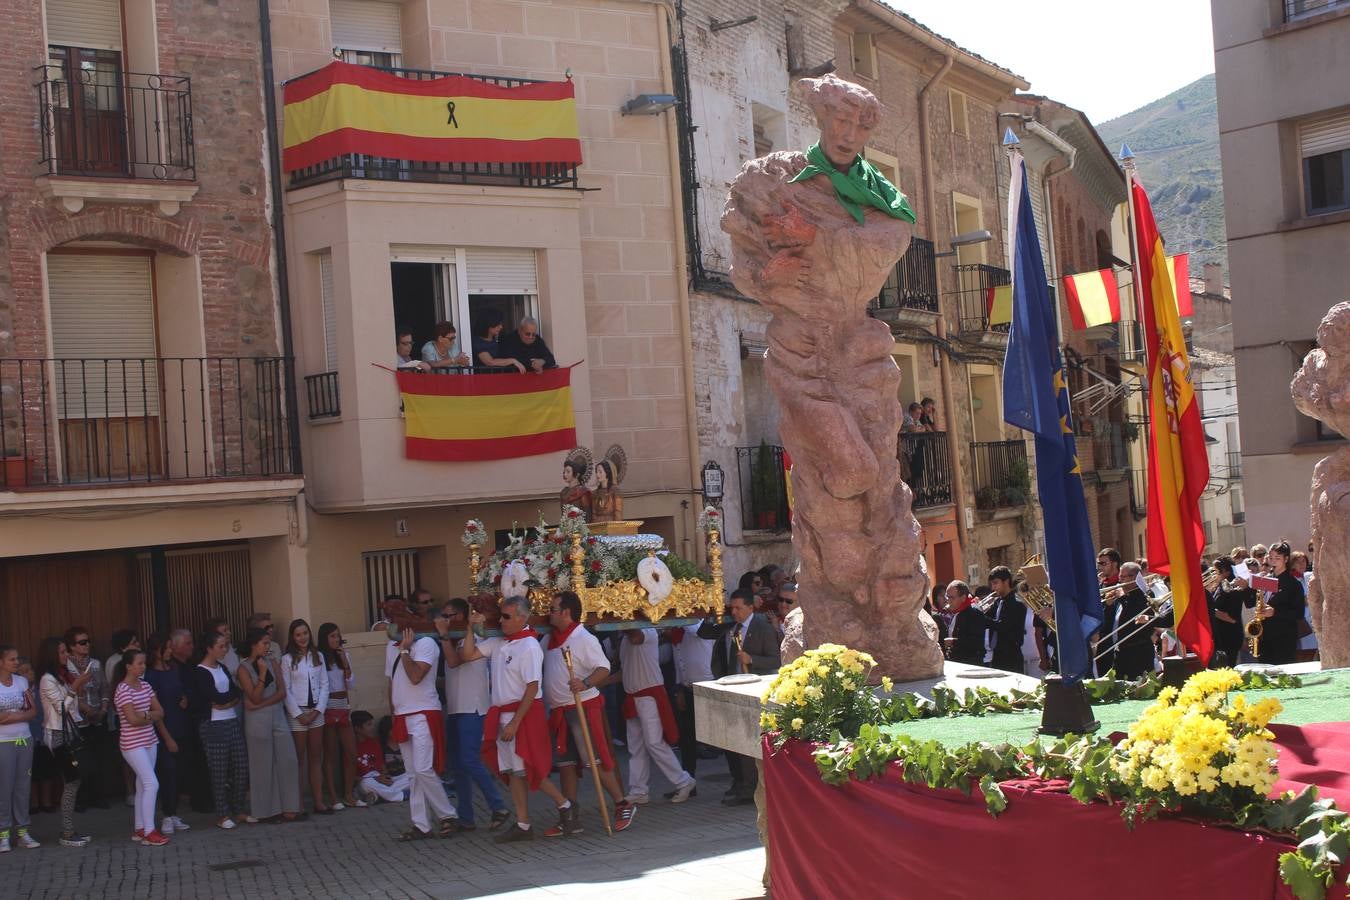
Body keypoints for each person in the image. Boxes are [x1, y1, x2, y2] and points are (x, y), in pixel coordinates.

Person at [470, 596, 573, 843]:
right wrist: (469, 627)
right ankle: (523, 823)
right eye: (501, 616)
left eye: (506, 617)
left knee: (530, 767)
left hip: (523, 715)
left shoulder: (529, 646)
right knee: (515, 772)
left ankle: (566, 806)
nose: (501, 621)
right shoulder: (500, 643)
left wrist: (516, 722)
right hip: (503, 715)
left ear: (522, 618)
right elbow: (466, 655)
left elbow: (532, 687)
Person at [536, 591, 632, 836]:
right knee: (567, 764)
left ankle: (622, 803)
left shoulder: (583, 638)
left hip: (582, 708)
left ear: (566, 612)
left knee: (594, 761)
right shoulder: (550, 640)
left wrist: (586, 683)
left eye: (553, 609)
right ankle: (570, 816)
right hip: (560, 710)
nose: (550, 614)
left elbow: (603, 667)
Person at [698, 589, 780, 805]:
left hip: (754, 692)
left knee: (750, 745)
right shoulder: (730, 627)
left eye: (738, 608)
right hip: (732, 689)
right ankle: (740, 783)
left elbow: (775, 660)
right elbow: (705, 632)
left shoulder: (762, 628)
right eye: (731, 608)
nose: (734, 612)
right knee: (732, 744)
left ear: (751, 608)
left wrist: (751, 658)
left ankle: (749, 788)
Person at [434, 599, 510, 832]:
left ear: (462, 615)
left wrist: (445, 636)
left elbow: (455, 661)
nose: (446, 620)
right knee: (458, 765)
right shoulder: (452, 638)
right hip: (457, 707)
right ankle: (466, 817)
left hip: (474, 707)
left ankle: (498, 805)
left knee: (469, 759)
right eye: (443, 615)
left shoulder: (477, 636)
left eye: (451, 615)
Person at [386, 621, 456, 842]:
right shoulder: (391, 646)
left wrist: (405, 651)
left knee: (423, 768)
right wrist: (393, 713)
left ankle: (447, 814)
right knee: (412, 774)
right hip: (402, 714)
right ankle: (421, 824)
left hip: (423, 712)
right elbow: (391, 682)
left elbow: (416, 676)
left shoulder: (426, 643)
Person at [618, 629, 695, 806]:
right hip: (633, 696)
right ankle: (639, 790)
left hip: (648, 696)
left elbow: (637, 637)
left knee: (654, 742)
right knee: (635, 747)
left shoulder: (647, 630)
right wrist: (593, 683)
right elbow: (625, 671)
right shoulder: (624, 639)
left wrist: (621, 623)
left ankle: (684, 781)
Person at [236, 627, 302, 823]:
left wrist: (261, 705)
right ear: (254, 645)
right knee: (262, 765)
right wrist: (263, 674)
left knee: (288, 760)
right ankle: (265, 811)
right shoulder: (243, 668)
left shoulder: (273, 662)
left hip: (275, 714)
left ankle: (290, 807)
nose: (267, 647)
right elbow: (253, 695)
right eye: (264, 643)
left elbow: (281, 692)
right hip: (257, 722)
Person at [188, 630, 248, 828]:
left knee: (240, 766)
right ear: (209, 648)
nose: (225, 650)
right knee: (219, 770)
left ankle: (238, 808)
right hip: (213, 724)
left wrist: (226, 702)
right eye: (221, 646)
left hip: (230, 720)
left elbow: (235, 691)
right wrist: (225, 701)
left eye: (226, 646)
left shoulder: (221, 667)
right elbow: (215, 697)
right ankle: (222, 814)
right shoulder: (200, 672)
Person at [36, 636, 90, 847]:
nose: (66, 655)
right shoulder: (46, 679)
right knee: (71, 781)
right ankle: (66, 832)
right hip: (57, 734)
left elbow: (74, 705)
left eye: (66, 651)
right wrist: (75, 685)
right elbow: (61, 707)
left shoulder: (62, 675)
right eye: (61, 652)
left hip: (68, 731)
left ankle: (69, 829)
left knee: (73, 781)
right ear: (52, 655)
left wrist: (76, 681)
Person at [112, 649, 169, 845]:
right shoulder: (122, 689)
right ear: (128, 666)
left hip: (149, 740)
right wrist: (148, 715)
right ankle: (150, 830)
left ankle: (140, 828)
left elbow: (160, 711)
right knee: (151, 783)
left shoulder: (145, 685)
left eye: (144, 663)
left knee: (142, 784)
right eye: (139, 663)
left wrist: (144, 715)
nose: (143, 667)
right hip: (132, 744)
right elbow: (132, 720)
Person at [281, 619, 330, 815]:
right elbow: (286, 689)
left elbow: (325, 684)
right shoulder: (287, 660)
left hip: (316, 711)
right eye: (298, 634)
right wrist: (299, 714)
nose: (303, 637)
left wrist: (318, 710)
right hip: (298, 713)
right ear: (293, 637)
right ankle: (298, 803)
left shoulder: (318, 656)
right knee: (298, 759)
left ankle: (318, 802)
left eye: (305, 633)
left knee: (316, 757)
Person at [143, 633, 189, 836]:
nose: (171, 651)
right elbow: (155, 708)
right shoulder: (151, 675)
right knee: (167, 771)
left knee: (178, 772)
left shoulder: (174, 669)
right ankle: (166, 814)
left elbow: (179, 690)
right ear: (157, 651)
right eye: (167, 648)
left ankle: (174, 812)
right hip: (162, 728)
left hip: (179, 722)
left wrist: (184, 699)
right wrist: (167, 737)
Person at [318, 623, 363, 810]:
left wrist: (344, 662)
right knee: (330, 754)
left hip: (343, 704)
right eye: (332, 636)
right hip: (328, 704)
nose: (336, 640)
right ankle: (333, 797)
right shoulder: (319, 658)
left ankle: (348, 794)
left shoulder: (345, 655)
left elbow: (351, 684)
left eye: (338, 636)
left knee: (351, 752)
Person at [63, 626, 108, 811]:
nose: (87, 645)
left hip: (97, 717)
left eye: (88, 641)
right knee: (80, 760)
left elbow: (104, 687)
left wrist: (104, 708)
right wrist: (85, 708)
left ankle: (98, 796)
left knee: (98, 758)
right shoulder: (67, 665)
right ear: (72, 646)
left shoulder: (95, 664)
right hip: (77, 720)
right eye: (82, 642)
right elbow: (68, 690)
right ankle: (80, 799)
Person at [0, 644, 39, 852]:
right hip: (2, 742)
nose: (16, 662)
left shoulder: (21, 681)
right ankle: (3, 833)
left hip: (24, 738)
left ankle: (22, 831)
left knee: (23, 786)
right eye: (12, 659)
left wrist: (12, 716)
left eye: (17, 659)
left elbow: (32, 711)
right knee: (4, 787)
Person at [1250, 541, 1306, 665]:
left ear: (1286, 559)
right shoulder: (1267, 579)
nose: (1273, 561)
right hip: (1264, 637)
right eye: (1271, 558)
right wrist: (1246, 585)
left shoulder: (1293, 584)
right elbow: (1250, 602)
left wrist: (1275, 612)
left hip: (1283, 639)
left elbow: (1299, 613)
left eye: (1277, 558)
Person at [671, 622, 714, 783]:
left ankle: (739, 782)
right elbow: (679, 660)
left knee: (721, 736)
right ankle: (689, 781)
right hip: (687, 688)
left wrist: (681, 617)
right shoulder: (679, 630)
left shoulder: (703, 625)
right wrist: (679, 687)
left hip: (709, 687)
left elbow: (696, 629)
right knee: (687, 739)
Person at [104, 629, 140, 809]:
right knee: (128, 754)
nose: (138, 645)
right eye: (134, 642)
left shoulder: (139, 659)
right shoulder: (114, 662)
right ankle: (129, 791)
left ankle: (141, 789)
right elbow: (114, 686)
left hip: (141, 712)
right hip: (123, 714)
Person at [1103, 562, 1157, 679]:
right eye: (1120, 577)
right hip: (1120, 652)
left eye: (1123, 577)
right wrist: (1108, 605)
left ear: (1135, 577)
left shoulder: (1144, 594)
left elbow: (1135, 617)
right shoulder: (1121, 596)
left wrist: (1122, 597)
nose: (1120, 581)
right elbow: (1109, 624)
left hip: (1138, 653)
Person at [352, 711, 410, 804]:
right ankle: (403, 795)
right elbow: (351, 777)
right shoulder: (351, 747)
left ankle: (378, 797)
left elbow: (382, 766)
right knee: (367, 783)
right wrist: (376, 779)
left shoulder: (374, 743)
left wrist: (385, 777)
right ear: (357, 728)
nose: (372, 728)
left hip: (381, 781)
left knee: (411, 776)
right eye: (368, 725)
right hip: (366, 782)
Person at [984, 566, 1027, 674]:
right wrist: (977, 610)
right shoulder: (998, 602)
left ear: (1006, 581)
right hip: (997, 656)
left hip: (1011, 657)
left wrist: (981, 618)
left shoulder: (1017, 604)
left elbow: (1003, 627)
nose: (993, 588)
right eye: (992, 584)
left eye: (995, 583)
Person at [944, 581, 990, 666]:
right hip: (958, 662)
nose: (948, 601)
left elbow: (976, 642)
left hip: (971, 665)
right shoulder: (957, 612)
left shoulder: (974, 613)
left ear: (963, 598)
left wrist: (953, 642)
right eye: (947, 597)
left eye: (952, 598)